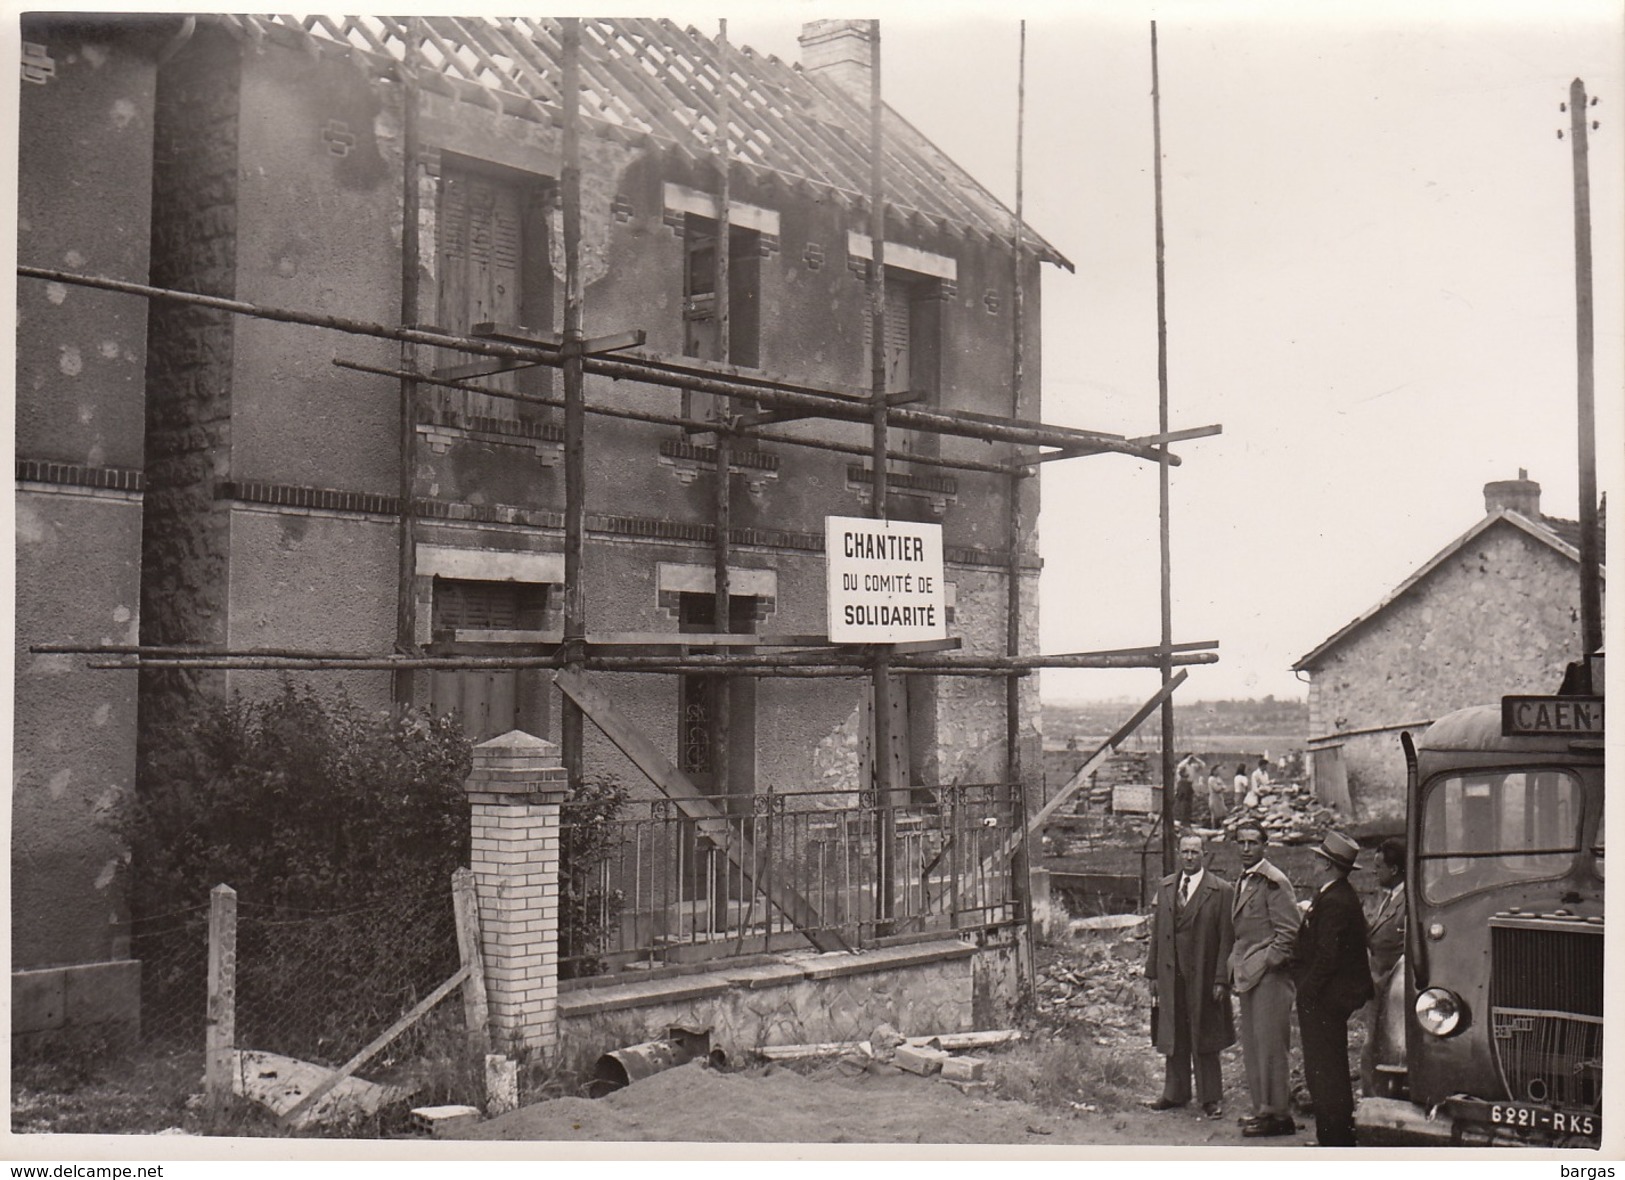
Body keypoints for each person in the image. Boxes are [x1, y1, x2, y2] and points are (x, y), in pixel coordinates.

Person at [1144, 833, 1235, 1118]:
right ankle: (1175, 1092)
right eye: (1185, 851)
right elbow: (1157, 935)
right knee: (1173, 1033)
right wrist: (1153, 974)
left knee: (1206, 1034)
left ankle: (1210, 1097)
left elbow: (1226, 941)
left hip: (1204, 978)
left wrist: (1221, 979)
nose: (1189, 857)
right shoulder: (1167, 885)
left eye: (1195, 852)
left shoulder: (1220, 891)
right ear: (1179, 854)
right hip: (1173, 977)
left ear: (1204, 854)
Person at [1293, 831, 1374, 1146]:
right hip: (1328, 997)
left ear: (1327, 865)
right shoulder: (1335, 894)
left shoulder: (1336, 900)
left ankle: (1335, 1141)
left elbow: (1328, 956)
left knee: (1326, 1071)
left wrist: (1306, 991)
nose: (1313, 862)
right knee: (1327, 1069)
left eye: (1318, 858)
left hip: (1326, 1000)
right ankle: (1333, 1136)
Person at [1229, 820, 1301, 1138]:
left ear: (1264, 845)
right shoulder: (1245, 879)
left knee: (1272, 1046)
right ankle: (1263, 1110)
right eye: (1241, 843)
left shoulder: (1274, 881)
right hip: (1250, 974)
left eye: (1252, 843)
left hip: (1270, 978)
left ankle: (1278, 1115)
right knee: (1256, 1045)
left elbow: (1289, 932)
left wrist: (1269, 963)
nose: (1246, 849)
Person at [1360, 837, 1407, 1095]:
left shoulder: (1407, 902)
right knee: (1372, 1044)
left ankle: (1378, 1097)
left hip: (1391, 984)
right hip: (1377, 983)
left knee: (1382, 1045)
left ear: (1394, 870)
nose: (1374, 871)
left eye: (1379, 867)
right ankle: (1371, 1096)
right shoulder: (1384, 899)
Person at [1174, 754, 1204, 825]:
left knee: (1188, 803)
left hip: (1189, 785)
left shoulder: (1192, 766)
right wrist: (1187, 759)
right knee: (1182, 803)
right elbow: (1180, 766)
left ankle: (1187, 819)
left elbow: (1203, 765)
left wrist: (1196, 759)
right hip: (1182, 784)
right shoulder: (1183, 766)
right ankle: (1181, 819)